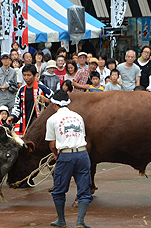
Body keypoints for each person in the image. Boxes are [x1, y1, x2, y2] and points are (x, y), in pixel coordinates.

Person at [45, 90, 93, 228]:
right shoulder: (78, 116)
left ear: (54, 104)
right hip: (82, 154)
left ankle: (61, 221)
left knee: (59, 189)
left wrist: (55, 154)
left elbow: (52, 144)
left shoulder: (52, 119)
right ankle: (80, 222)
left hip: (65, 155)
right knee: (84, 190)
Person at [7, 64, 53, 137]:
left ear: (35, 75)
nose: (26, 78)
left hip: (40, 124)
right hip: (25, 123)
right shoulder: (21, 90)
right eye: (24, 75)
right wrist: (12, 116)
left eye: (29, 75)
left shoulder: (42, 89)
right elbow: (17, 107)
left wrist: (47, 100)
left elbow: (56, 100)